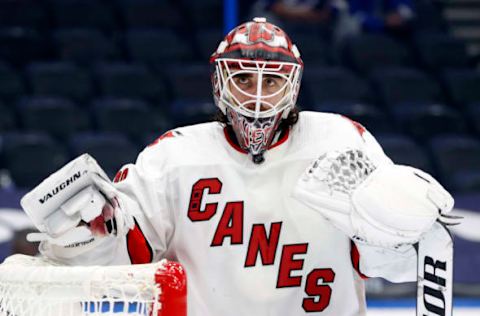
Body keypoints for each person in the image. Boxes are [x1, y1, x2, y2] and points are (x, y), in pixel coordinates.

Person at [21, 17, 454, 315]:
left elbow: (388, 264)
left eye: (272, 80)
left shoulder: (342, 141)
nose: (258, 95)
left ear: (294, 84)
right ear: (220, 82)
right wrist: (91, 232)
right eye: (245, 78)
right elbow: (128, 257)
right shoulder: (174, 156)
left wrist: (400, 235)